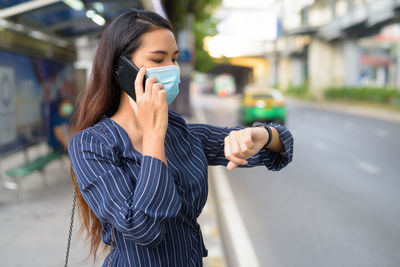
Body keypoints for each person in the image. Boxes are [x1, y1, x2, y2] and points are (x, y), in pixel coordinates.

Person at [68, 9, 293, 267]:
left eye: (174, 59)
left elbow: (281, 147)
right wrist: (153, 134)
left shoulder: (182, 133)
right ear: (122, 69)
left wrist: (262, 134)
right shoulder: (92, 145)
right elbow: (143, 230)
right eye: (158, 59)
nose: (171, 69)